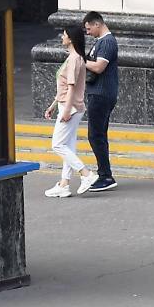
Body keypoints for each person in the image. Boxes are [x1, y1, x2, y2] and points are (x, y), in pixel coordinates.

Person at [43, 26, 96, 198]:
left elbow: (72, 88)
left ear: (71, 39)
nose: (62, 38)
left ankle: (86, 174)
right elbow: (64, 88)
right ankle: (64, 184)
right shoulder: (74, 58)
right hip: (69, 105)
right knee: (68, 146)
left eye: (64, 35)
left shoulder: (74, 59)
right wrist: (53, 105)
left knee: (57, 145)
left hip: (70, 107)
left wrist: (65, 111)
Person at [82, 11, 120, 193]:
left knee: (95, 135)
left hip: (101, 93)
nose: (88, 32)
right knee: (99, 135)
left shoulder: (107, 42)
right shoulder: (101, 42)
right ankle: (105, 173)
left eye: (89, 28)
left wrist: (80, 60)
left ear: (97, 24)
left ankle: (105, 175)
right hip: (100, 93)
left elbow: (99, 67)